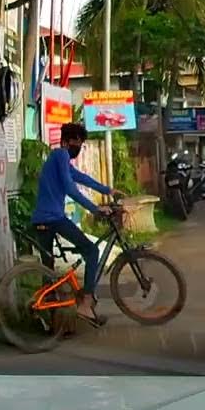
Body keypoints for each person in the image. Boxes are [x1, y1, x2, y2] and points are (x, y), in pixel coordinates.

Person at [31, 122, 122, 326]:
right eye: (76, 142)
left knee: (49, 271)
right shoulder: (60, 155)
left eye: (81, 143)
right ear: (65, 142)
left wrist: (107, 190)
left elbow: (81, 177)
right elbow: (71, 188)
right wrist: (95, 208)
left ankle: (49, 322)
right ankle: (85, 303)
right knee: (91, 252)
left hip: (42, 219)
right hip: (52, 219)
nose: (78, 147)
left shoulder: (58, 159)